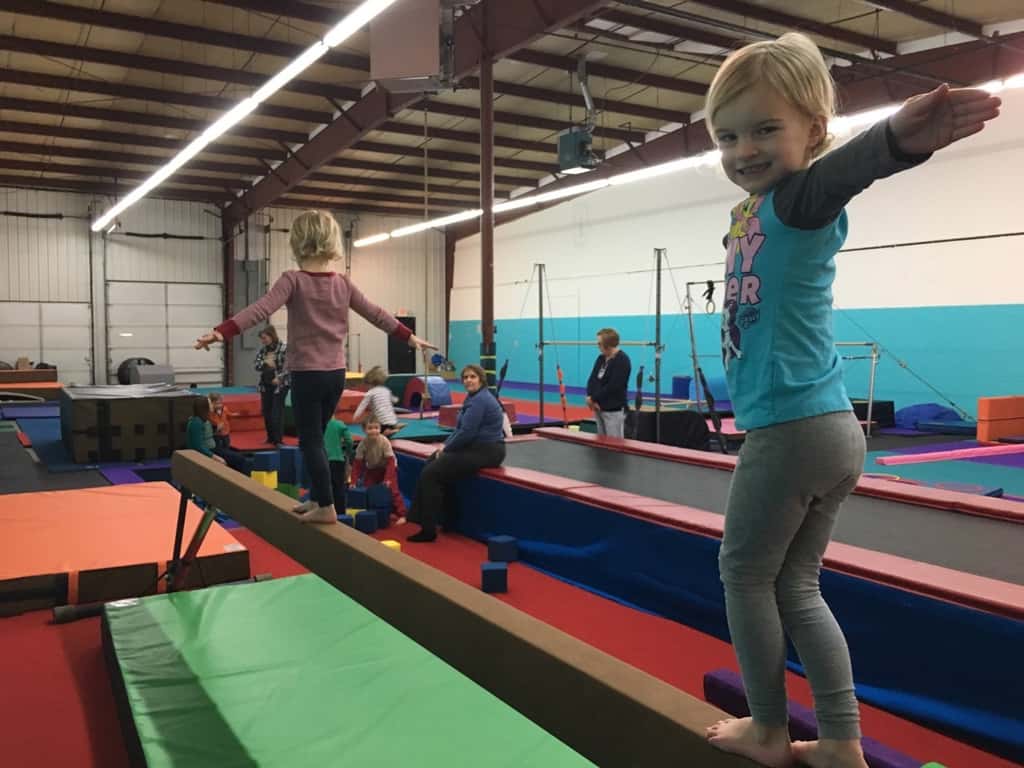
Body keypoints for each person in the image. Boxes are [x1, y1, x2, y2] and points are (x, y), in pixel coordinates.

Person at [701, 32, 1001, 768]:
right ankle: (839, 741)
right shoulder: (753, 211)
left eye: (764, 129)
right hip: (829, 426)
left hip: (793, 427)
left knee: (744, 574)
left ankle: (768, 728)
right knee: (797, 586)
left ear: (812, 130)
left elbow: (845, 172)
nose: (744, 149)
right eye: (727, 136)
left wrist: (895, 138)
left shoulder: (799, 200)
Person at [195, 209, 436, 524]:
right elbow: (376, 313)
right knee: (317, 439)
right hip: (335, 374)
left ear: (298, 242)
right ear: (332, 241)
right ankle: (320, 499)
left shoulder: (293, 280)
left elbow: (260, 310)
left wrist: (221, 332)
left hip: (307, 374)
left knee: (310, 441)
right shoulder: (343, 283)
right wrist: (408, 336)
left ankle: (325, 506)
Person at [406, 365, 505, 542]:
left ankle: (428, 529)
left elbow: (467, 432)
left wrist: (446, 449)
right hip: (474, 447)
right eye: (465, 377)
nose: (468, 380)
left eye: (472, 377)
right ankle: (443, 520)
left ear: (481, 379)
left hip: (488, 450)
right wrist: (444, 446)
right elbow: (459, 430)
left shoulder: (480, 400)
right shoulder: (472, 398)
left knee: (431, 474)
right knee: (431, 463)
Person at [350, 417, 407, 523]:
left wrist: (388, 478)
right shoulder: (363, 444)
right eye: (370, 428)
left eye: (376, 428)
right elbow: (357, 464)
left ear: (380, 429)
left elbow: (390, 461)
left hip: (388, 468)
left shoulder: (384, 441)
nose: (373, 431)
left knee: (392, 490)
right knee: (368, 489)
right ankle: (371, 512)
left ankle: (402, 514)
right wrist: (353, 480)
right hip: (372, 468)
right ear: (364, 430)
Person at [585, 327, 631, 438]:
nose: (598, 346)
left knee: (614, 443)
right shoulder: (601, 358)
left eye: (599, 343)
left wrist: (593, 398)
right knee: (601, 441)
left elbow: (613, 386)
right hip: (598, 407)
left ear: (607, 344)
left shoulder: (622, 360)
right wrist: (590, 396)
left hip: (613, 410)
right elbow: (592, 379)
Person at [185, 396, 250, 475]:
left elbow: (207, 435)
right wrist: (214, 457)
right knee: (239, 459)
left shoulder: (205, 419)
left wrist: (216, 430)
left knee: (240, 455)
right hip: (209, 451)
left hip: (214, 448)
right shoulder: (196, 422)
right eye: (210, 404)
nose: (212, 405)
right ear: (204, 407)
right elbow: (198, 446)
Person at [255, 325, 288, 446]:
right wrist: (266, 363)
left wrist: (279, 377)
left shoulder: (284, 348)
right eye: (261, 339)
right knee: (267, 412)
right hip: (265, 384)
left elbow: (289, 366)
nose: (263, 341)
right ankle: (270, 437)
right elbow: (256, 365)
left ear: (271, 336)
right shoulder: (263, 350)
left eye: (264, 338)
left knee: (276, 412)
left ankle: (278, 439)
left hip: (280, 384)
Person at [353, 365, 402, 436]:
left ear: (370, 383)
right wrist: (397, 399)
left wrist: (356, 415)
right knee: (386, 419)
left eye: (366, 385)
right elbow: (394, 400)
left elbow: (362, 405)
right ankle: (394, 426)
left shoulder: (370, 393)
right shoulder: (386, 390)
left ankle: (387, 431)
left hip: (381, 422)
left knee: (374, 427)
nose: (366, 387)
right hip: (392, 419)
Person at [324, 413, 355, 515]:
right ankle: (340, 513)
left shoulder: (320, 424)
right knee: (339, 487)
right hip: (338, 459)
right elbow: (349, 441)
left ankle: (325, 510)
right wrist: (347, 452)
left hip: (322, 459)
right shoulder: (339, 424)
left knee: (324, 486)